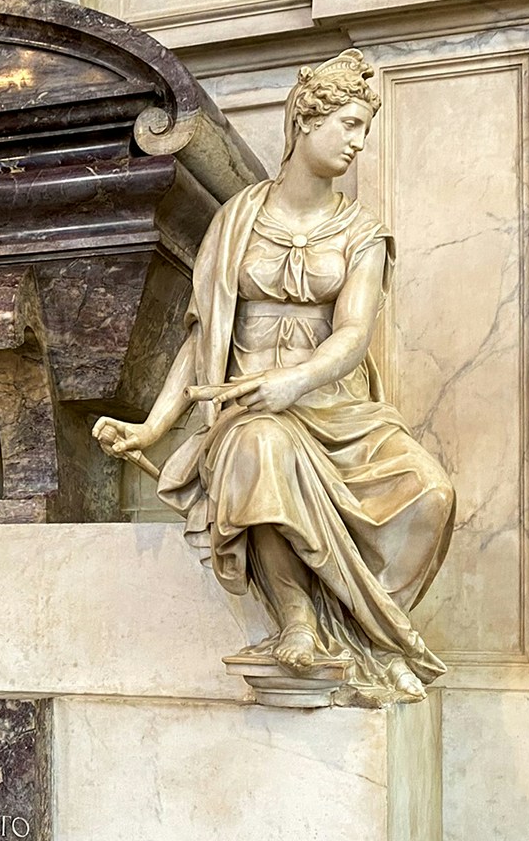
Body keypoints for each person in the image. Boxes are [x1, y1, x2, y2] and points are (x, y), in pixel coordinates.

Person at [95, 50, 455, 703]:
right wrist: (152, 428)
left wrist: (295, 382)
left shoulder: (362, 233)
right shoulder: (237, 222)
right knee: (262, 447)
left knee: (429, 492)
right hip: (245, 413)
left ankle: (366, 630)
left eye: (365, 129)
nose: (358, 142)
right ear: (304, 120)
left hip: (333, 408)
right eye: (348, 124)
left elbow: (351, 334)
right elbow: (203, 337)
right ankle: (297, 618)